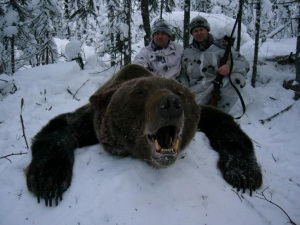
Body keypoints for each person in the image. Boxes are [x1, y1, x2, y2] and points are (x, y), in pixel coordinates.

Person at [177, 16, 250, 113]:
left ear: (207, 30)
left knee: (237, 78)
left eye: (201, 29)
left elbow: (244, 64)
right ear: (192, 34)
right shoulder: (187, 52)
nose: (199, 33)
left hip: (217, 86)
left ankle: (221, 114)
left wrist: (229, 66)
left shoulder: (222, 47)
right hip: (196, 90)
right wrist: (185, 91)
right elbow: (183, 74)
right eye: (195, 31)